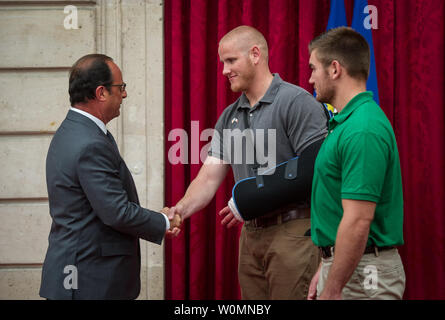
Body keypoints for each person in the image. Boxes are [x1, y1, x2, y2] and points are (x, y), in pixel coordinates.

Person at [167, 26, 328, 299]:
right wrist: (179, 209)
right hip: (250, 237)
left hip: (293, 233)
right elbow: (208, 176)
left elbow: (316, 169)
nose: (224, 71)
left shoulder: (296, 102)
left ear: (255, 54)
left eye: (231, 61)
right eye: (222, 63)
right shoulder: (229, 116)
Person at [39, 54, 181, 300]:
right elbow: (116, 212)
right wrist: (164, 222)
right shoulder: (89, 142)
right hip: (90, 281)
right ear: (101, 92)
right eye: (121, 87)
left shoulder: (73, 131)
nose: (124, 94)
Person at [307, 27, 405, 300]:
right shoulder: (347, 123)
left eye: (314, 68)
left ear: (335, 69)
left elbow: (359, 220)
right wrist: (327, 265)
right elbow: (340, 212)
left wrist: (334, 287)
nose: (310, 77)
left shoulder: (362, 129)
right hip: (350, 267)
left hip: (364, 277)